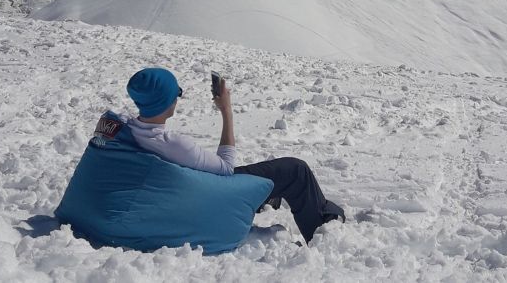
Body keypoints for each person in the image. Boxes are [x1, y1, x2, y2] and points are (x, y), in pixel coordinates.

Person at [123, 67, 345, 243]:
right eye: (177, 93)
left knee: (264, 173)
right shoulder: (173, 145)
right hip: (207, 198)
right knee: (296, 171)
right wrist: (226, 110)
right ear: (167, 100)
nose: (178, 98)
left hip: (178, 191)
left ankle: (267, 198)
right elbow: (226, 168)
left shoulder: (125, 131)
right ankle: (323, 231)